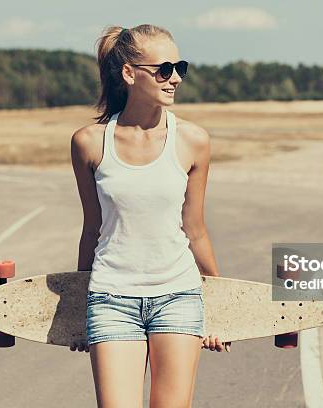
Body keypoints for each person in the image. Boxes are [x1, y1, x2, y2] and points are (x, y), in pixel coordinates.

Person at [69, 24, 230, 407]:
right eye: (164, 69)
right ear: (129, 73)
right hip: (111, 299)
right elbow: (93, 229)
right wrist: (78, 305)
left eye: (180, 67)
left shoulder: (193, 140)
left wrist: (222, 307)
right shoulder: (89, 143)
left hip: (178, 296)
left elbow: (195, 229)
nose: (174, 78)